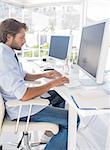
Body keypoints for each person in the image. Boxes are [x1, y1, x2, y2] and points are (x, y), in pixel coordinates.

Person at [0, 18, 79, 150]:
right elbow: (24, 95)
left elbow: (23, 75)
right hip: (21, 109)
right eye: (21, 37)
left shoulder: (8, 53)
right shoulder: (3, 58)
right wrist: (52, 83)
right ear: (9, 37)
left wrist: (43, 75)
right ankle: (56, 138)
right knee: (73, 120)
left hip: (20, 103)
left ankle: (50, 135)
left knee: (58, 96)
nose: (24, 41)